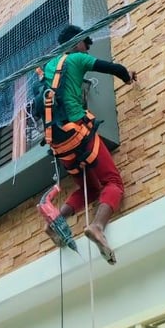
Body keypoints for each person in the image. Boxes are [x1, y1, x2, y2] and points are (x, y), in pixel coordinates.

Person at [38, 23, 136, 264]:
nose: (87, 50)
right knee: (113, 182)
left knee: (91, 189)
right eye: (86, 44)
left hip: (59, 146)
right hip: (79, 134)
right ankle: (97, 226)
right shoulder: (77, 59)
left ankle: (55, 223)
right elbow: (112, 68)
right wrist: (128, 77)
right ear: (77, 43)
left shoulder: (47, 68)